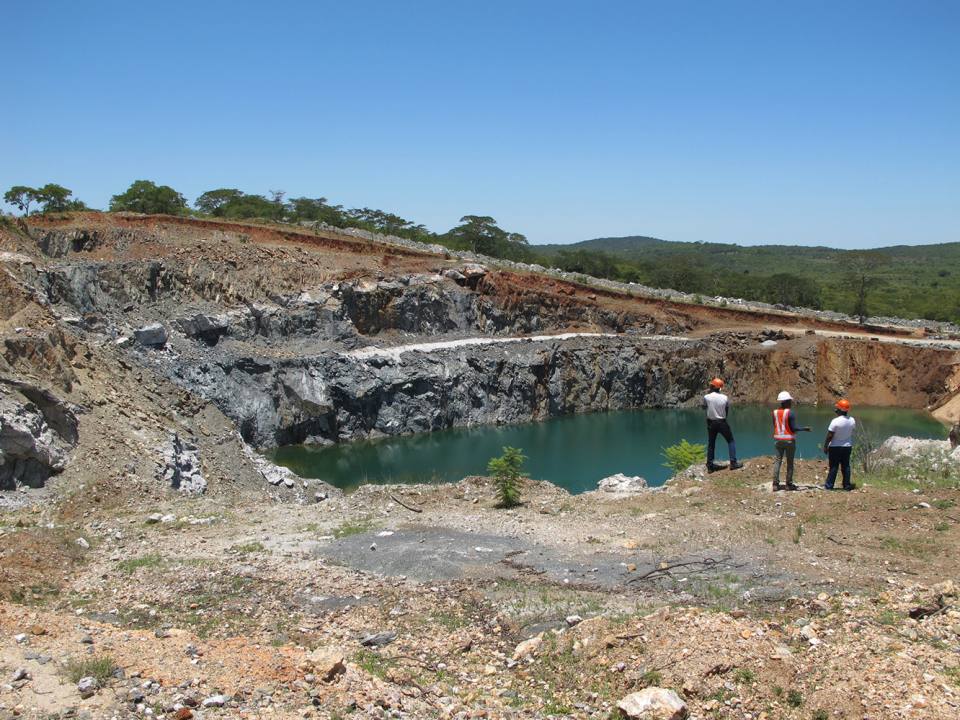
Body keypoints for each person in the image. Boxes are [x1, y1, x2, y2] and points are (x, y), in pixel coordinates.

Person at [771, 391, 811, 491]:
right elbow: (793, 428)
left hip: (778, 440)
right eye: (789, 401)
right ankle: (789, 484)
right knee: (789, 462)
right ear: (786, 401)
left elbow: (775, 425)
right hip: (789, 440)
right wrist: (804, 429)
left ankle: (775, 484)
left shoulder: (774, 413)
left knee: (777, 461)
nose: (791, 402)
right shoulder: (790, 413)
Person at [702, 378, 743, 472]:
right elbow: (726, 410)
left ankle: (710, 465)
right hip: (722, 422)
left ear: (712, 387)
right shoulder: (725, 398)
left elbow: (704, 407)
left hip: (711, 423)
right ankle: (733, 463)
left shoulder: (706, 397)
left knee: (711, 444)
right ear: (720, 388)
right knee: (730, 441)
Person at [823, 399, 856, 490]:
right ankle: (846, 485)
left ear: (840, 410)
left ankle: (829, 485)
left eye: (837, 408)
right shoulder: (852, 420)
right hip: (847, 446)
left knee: (834, 466)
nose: (835, 410)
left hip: (835, 447)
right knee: (846, 466)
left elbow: (830, 435)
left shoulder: (835, 421)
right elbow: (852, 430)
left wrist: (825, 446)